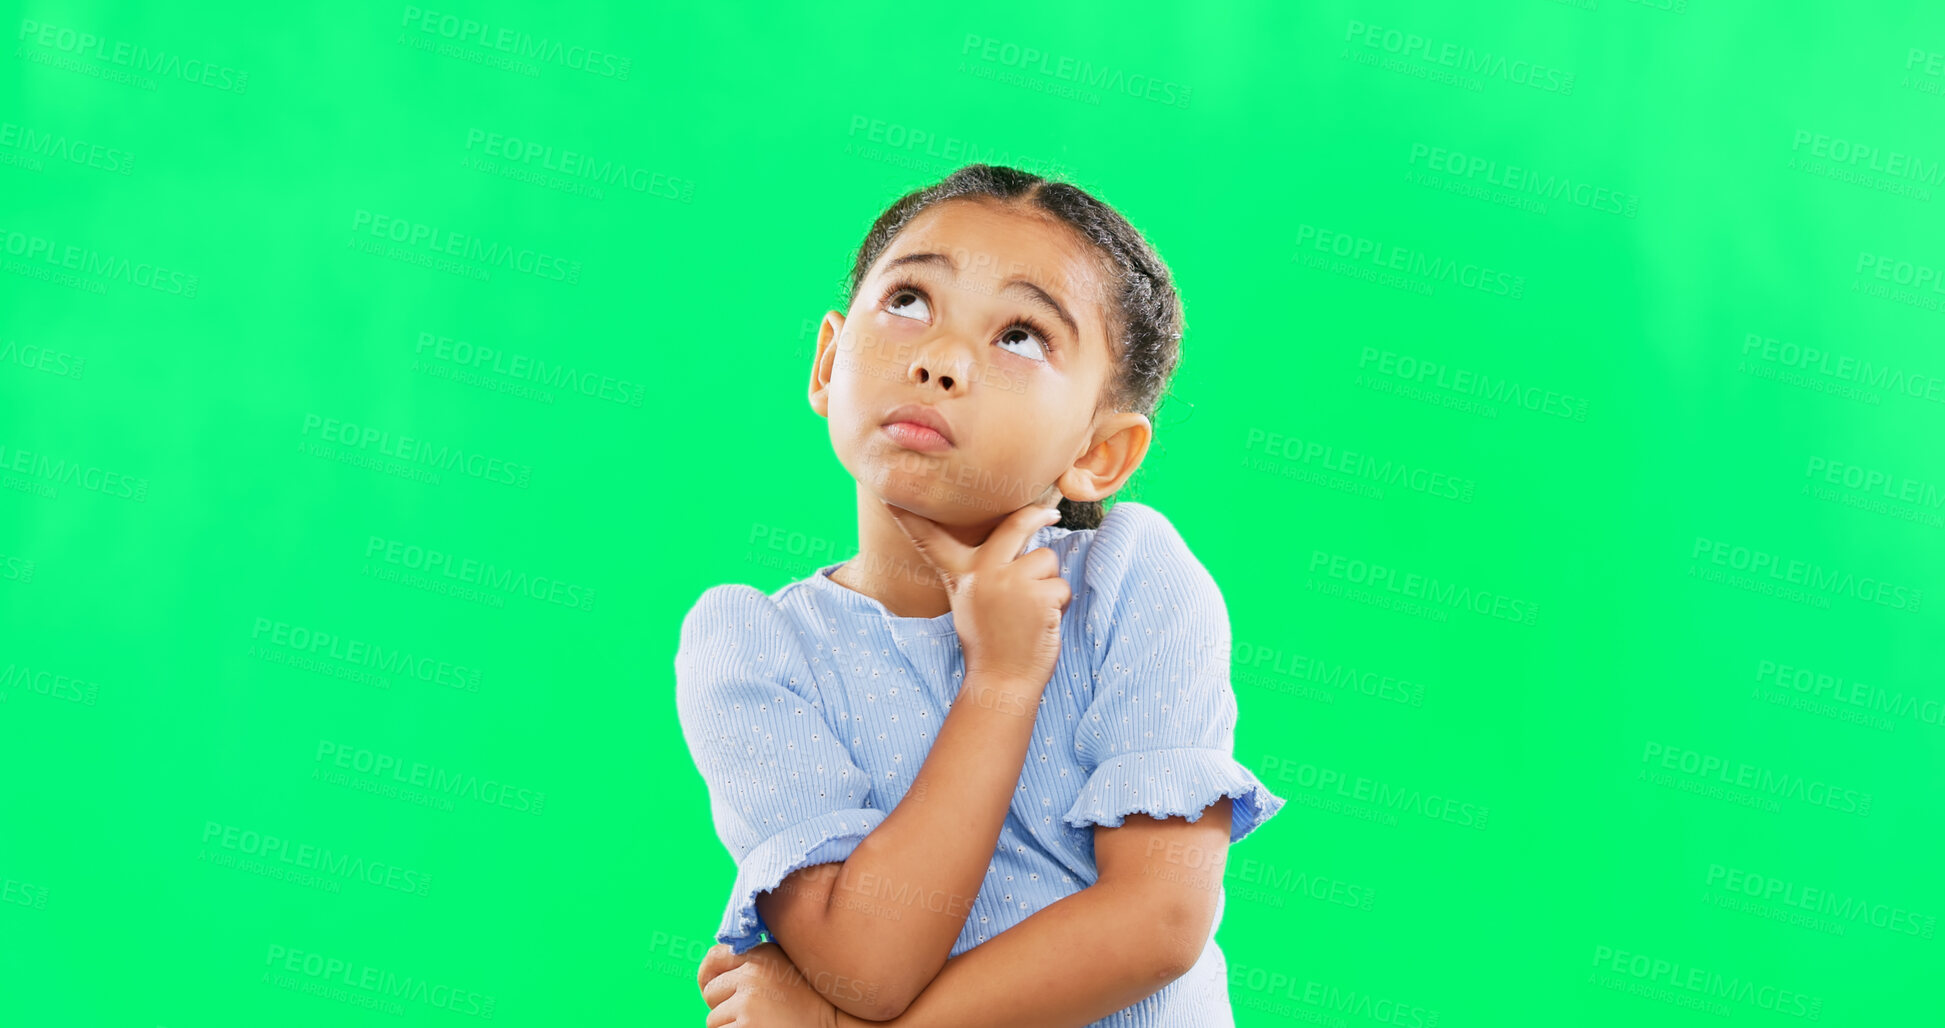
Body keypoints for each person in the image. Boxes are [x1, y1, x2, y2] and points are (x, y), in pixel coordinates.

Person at [674, 163, 1285, 1027]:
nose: (941, 360)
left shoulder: (1131, 576)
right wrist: (1000, 680)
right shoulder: (753, 649)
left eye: (1023, 336)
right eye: (910, 301)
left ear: (1099, 454)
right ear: (826, 361)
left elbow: (1159, 920)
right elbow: (868, 968)